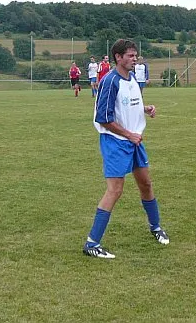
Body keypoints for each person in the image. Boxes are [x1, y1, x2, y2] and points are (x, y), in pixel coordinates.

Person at [83, 39, 169, 259]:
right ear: (118, 57)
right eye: (130, 56)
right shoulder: (110, 81)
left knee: (146, 184)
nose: (135, 59)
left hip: (135, 141)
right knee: (115, 190)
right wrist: (128, 135)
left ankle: (156, 227)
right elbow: (103, 118)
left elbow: (128, 106)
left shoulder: (131, 78)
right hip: (116, 142)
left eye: (135, 55)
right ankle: (92, 243)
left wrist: (145, 108)